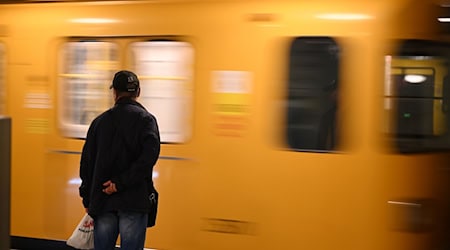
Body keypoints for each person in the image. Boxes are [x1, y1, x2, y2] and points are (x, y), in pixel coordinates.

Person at [79, 70, 161, 250]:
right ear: (138, 92)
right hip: (133, 200)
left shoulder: (99, 123)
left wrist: (87, 199)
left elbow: (86, 163)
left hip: (104, 202)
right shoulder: (146, 121)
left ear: (114, 92)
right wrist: (120, 183)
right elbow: (148, 158)